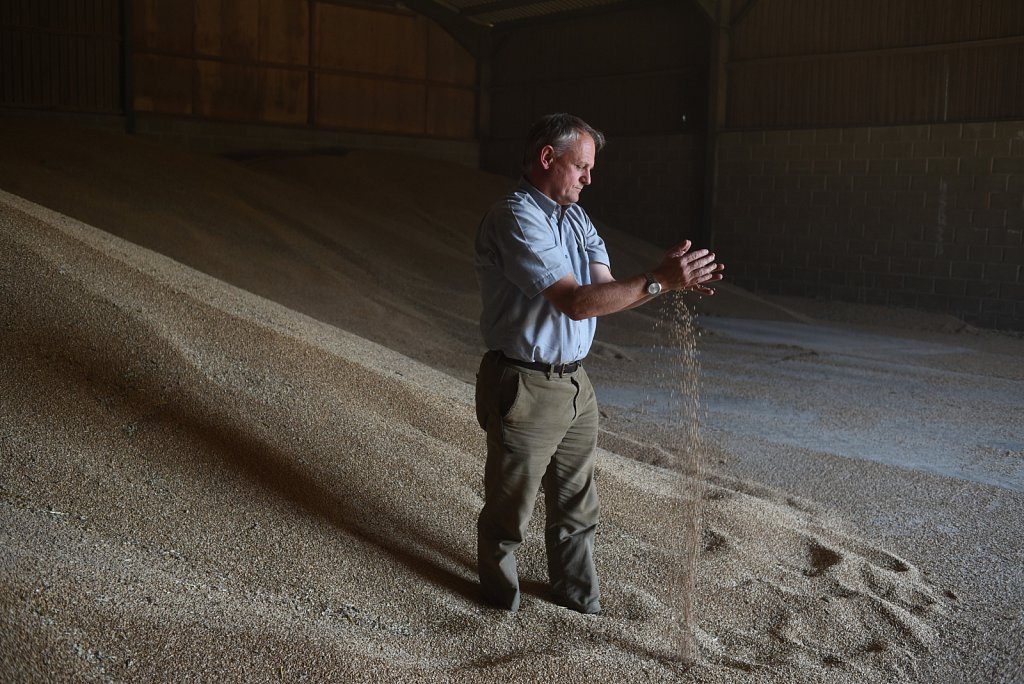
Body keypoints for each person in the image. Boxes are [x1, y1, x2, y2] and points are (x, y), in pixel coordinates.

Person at [473, 113, 723, 614]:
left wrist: (663, 282)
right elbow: (576, 302)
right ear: (548, 158)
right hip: (524, 383)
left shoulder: (576, 219)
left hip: (575, 384)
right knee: (510, 510)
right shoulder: (516, 217)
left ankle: (577, 601)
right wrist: (657, 281)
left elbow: (604, 291)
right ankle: (498, 606)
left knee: (576, 506)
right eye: (582, 166)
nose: (590, 178)